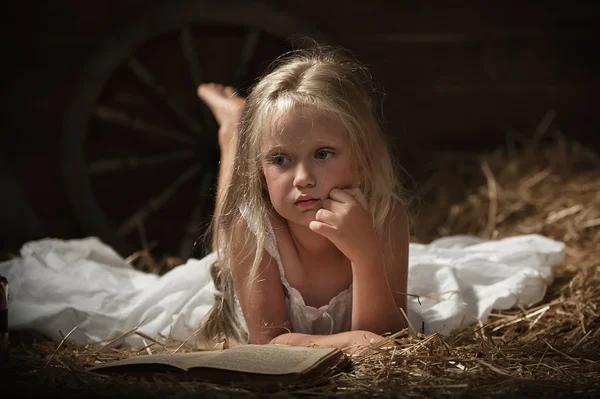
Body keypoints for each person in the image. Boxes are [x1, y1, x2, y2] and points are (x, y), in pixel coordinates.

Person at [194, 45, 410, 351]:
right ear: (261, 173)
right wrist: (347, 343)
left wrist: (365, 257)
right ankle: (234, 131)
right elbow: (268, 342)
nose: (303, 178)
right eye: (280, 159)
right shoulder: (253, 230)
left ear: (362, 160)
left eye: (322, 154)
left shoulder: (386, 216)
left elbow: (386, 340)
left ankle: (239, 129)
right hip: (244, 242)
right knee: (224, 241)